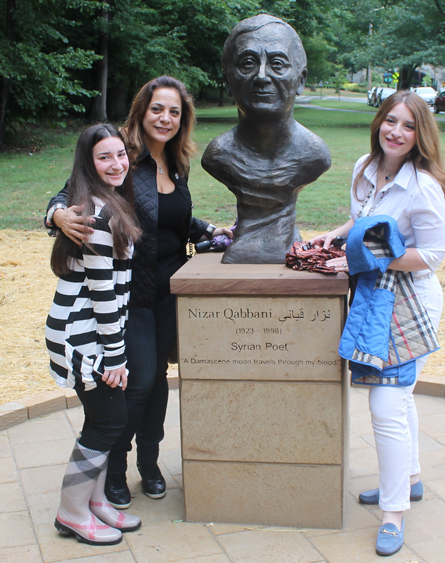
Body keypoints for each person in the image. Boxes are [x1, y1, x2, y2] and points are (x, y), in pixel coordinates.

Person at [45, 76, 232, 509]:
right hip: (135, 294)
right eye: (157, 109)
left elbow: (171, 217)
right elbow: (72, 188)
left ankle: (150, 464)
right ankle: (114, 470)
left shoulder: (177, 162)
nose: (165, 118)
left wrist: (207, 229)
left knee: (158, 381)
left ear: (183, 119)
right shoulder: (122, 155)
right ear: (141, 111)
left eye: (174, 111)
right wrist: (56, 214)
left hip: (172, 288)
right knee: (140, 380)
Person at [310, 90, 445, 556]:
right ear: (379, 122)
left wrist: (359, 263)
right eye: (391, 121)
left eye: (408, 126)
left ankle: (393, 514)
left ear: (420, 135)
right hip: (375, 300)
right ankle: (409, 479)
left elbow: (432, 255)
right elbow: (363, 223)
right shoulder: (365, 169)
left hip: (408, 304)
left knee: (386, 407)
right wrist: (334, 235)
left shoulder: (423, 185)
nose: (396, 132)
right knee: (401, 398)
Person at [46, 124, 142, 545]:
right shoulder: (96, 214)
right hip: (83, 334)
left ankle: (95, 502)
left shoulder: (102, 201)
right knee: (108, 423)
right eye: (105, 157)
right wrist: (117, 357)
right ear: (89, 162)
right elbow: (103, 292)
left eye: (120, 154)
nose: (117, 163)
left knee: (103, 420)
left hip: (92, 330)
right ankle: (71, 513)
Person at [202, 14, 331, 264]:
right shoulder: (217, 155)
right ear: (228, 81)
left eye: (278, 64)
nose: (262, 76)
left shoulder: (315, 154)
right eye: (248, 63)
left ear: (300, 80)